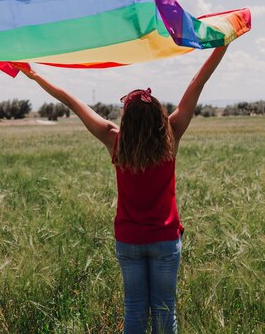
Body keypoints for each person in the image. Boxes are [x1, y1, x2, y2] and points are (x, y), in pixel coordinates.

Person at [14, 45, 228, 333]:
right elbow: (197, 82)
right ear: (158, 117)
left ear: (127, 118)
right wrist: (223, 43)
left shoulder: (114, 141)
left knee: (135, 312)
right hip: (165, 239)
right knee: (166, 312)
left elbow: (72, 102)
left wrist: (35, 75)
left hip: (129, 241)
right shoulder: (171, 135)